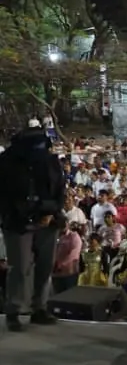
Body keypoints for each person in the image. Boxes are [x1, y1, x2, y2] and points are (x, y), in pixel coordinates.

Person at [0, 121, 66, 331]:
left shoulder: (50, 161)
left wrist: (49, 212)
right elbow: (7, 197)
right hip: (18, 223)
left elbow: (59, 190)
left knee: (45, 266)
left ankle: (39, 307)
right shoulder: (7, 164)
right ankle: (14, 311)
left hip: (48, 221)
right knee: (19, 268)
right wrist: (28, 213)